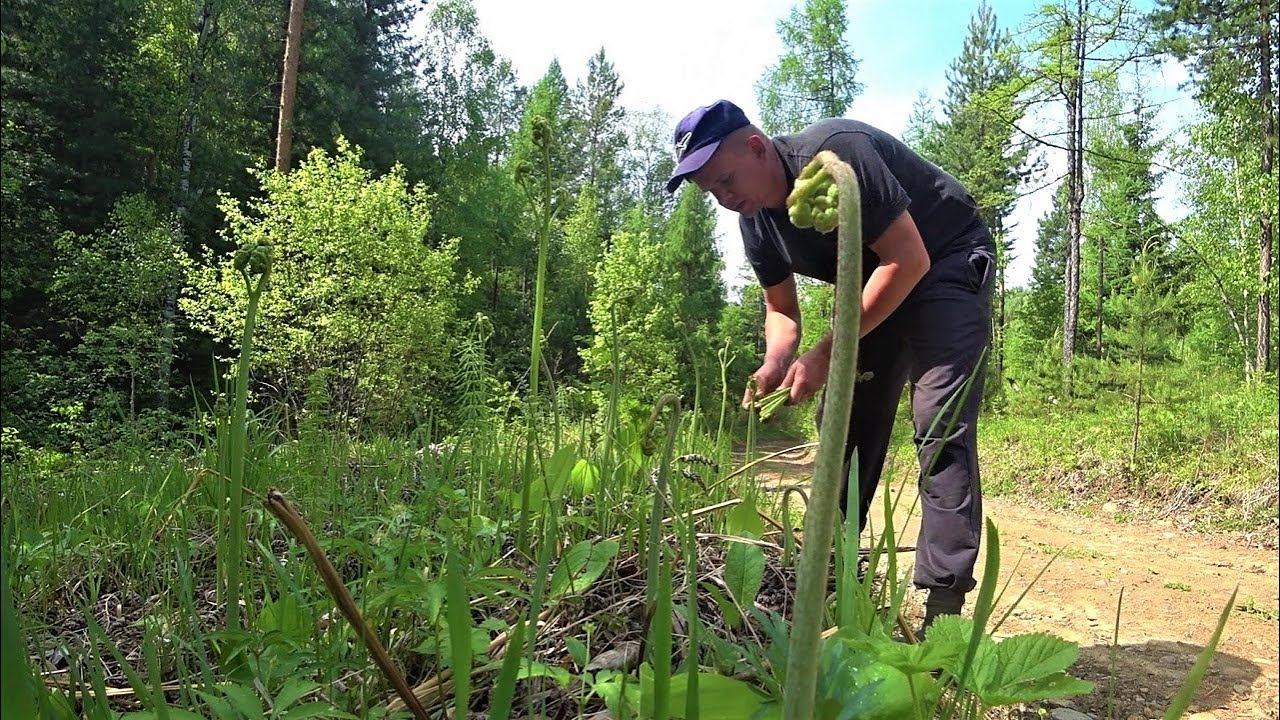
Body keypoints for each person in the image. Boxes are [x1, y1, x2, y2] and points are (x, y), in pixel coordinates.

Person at [666, 99, 994, 631]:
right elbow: (781, 309)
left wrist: (825, 352)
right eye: (713, 192)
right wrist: (776, 361)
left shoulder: (836, 154)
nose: (725, 199)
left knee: (939, 422)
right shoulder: (756, 220)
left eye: (727, 180)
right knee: (845, 422)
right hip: (875, 287)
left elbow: (908, 258)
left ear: (755, 147)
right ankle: (831, 577)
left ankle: (943, 614)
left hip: (944, 262)